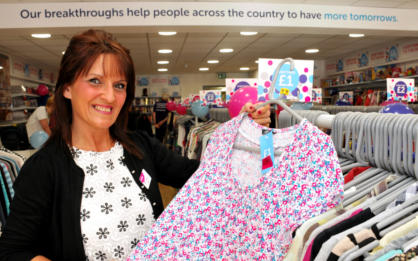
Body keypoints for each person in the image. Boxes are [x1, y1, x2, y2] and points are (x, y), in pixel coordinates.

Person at [0, 29, 270, 261]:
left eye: (119, 85)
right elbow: (14, 250)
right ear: (67, 88)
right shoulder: (43, 168)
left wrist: (249, 132)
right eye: (95, 81)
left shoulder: (140, 148)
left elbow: (207, 176)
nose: (109, 95)